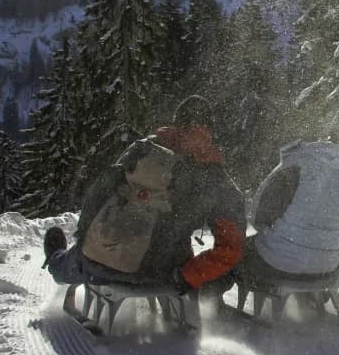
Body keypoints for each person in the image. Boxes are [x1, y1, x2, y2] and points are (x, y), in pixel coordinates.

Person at [42, 95, 245, 295]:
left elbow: (99, 194)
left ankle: (56, 261)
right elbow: (230, 250)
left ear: (176, 122)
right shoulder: (216, 178)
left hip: (101, 259)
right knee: (179, 250)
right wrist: (185, 277)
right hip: (160, 275)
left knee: (72, 262)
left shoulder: (144, 148)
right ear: (210, 130)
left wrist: (86, 236)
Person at [229, 140, 339, 293]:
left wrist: (272, 232)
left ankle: (212, 296)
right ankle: (306, 296)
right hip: (326, 269)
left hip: (276, 262)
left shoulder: (299, 160)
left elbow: (258, 214)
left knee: (239, 248)